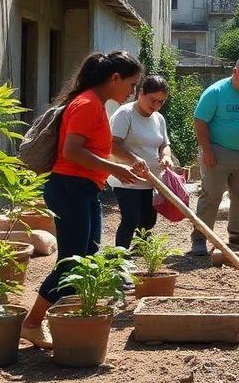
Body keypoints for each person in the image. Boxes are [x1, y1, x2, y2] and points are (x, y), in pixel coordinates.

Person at [21, 51, 147, 349]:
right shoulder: (87, 104)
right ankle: (32, 322)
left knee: (86, 258)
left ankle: (69, 317)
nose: (132, 91)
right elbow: (72, 151)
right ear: (114, 78)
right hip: (69, 188)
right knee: (70, 262)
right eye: (131, 84)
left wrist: (131, 160)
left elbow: (101, 149)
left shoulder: (97, 105)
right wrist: (115, 168)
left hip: (84, 189)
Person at [190, 56, 239, 255]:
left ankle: (237, 234)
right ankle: (200, 238)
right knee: (212, 196)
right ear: (235, 72)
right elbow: (200, 122)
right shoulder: (215, 92)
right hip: (217, 152)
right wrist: (206, 150)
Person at [108, 74, 176, 248]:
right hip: (127, 178)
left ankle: (142, 254)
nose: (156, 106)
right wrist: (133, 159)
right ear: (141, 93)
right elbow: (112, 145)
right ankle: (119, 257)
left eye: (161, 102)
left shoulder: (158, 118)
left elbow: (164, 144)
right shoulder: (125, 114)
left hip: (150, 179)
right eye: (153, 100)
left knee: (148, 220)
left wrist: (166, 156)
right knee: (131, 219)